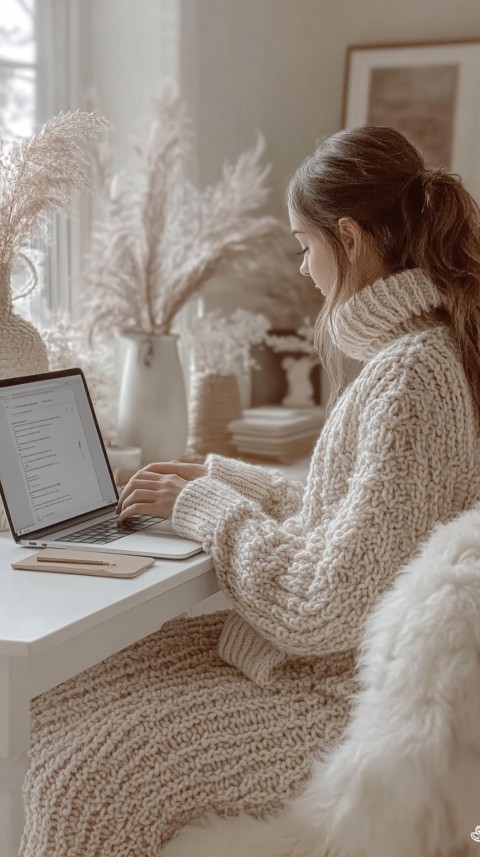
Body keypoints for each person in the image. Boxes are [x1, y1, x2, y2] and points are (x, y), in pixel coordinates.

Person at [21, 126, 480, 857]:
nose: (303, 267)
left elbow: (321, 608)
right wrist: (215, 478)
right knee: (52, 696)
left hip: (332, 697)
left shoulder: (410, 378)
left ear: (352, 238)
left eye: (305, 244)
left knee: (81, 781)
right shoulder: (419, 354)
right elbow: (362, 524)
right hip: (325, 665)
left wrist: (207, 509)